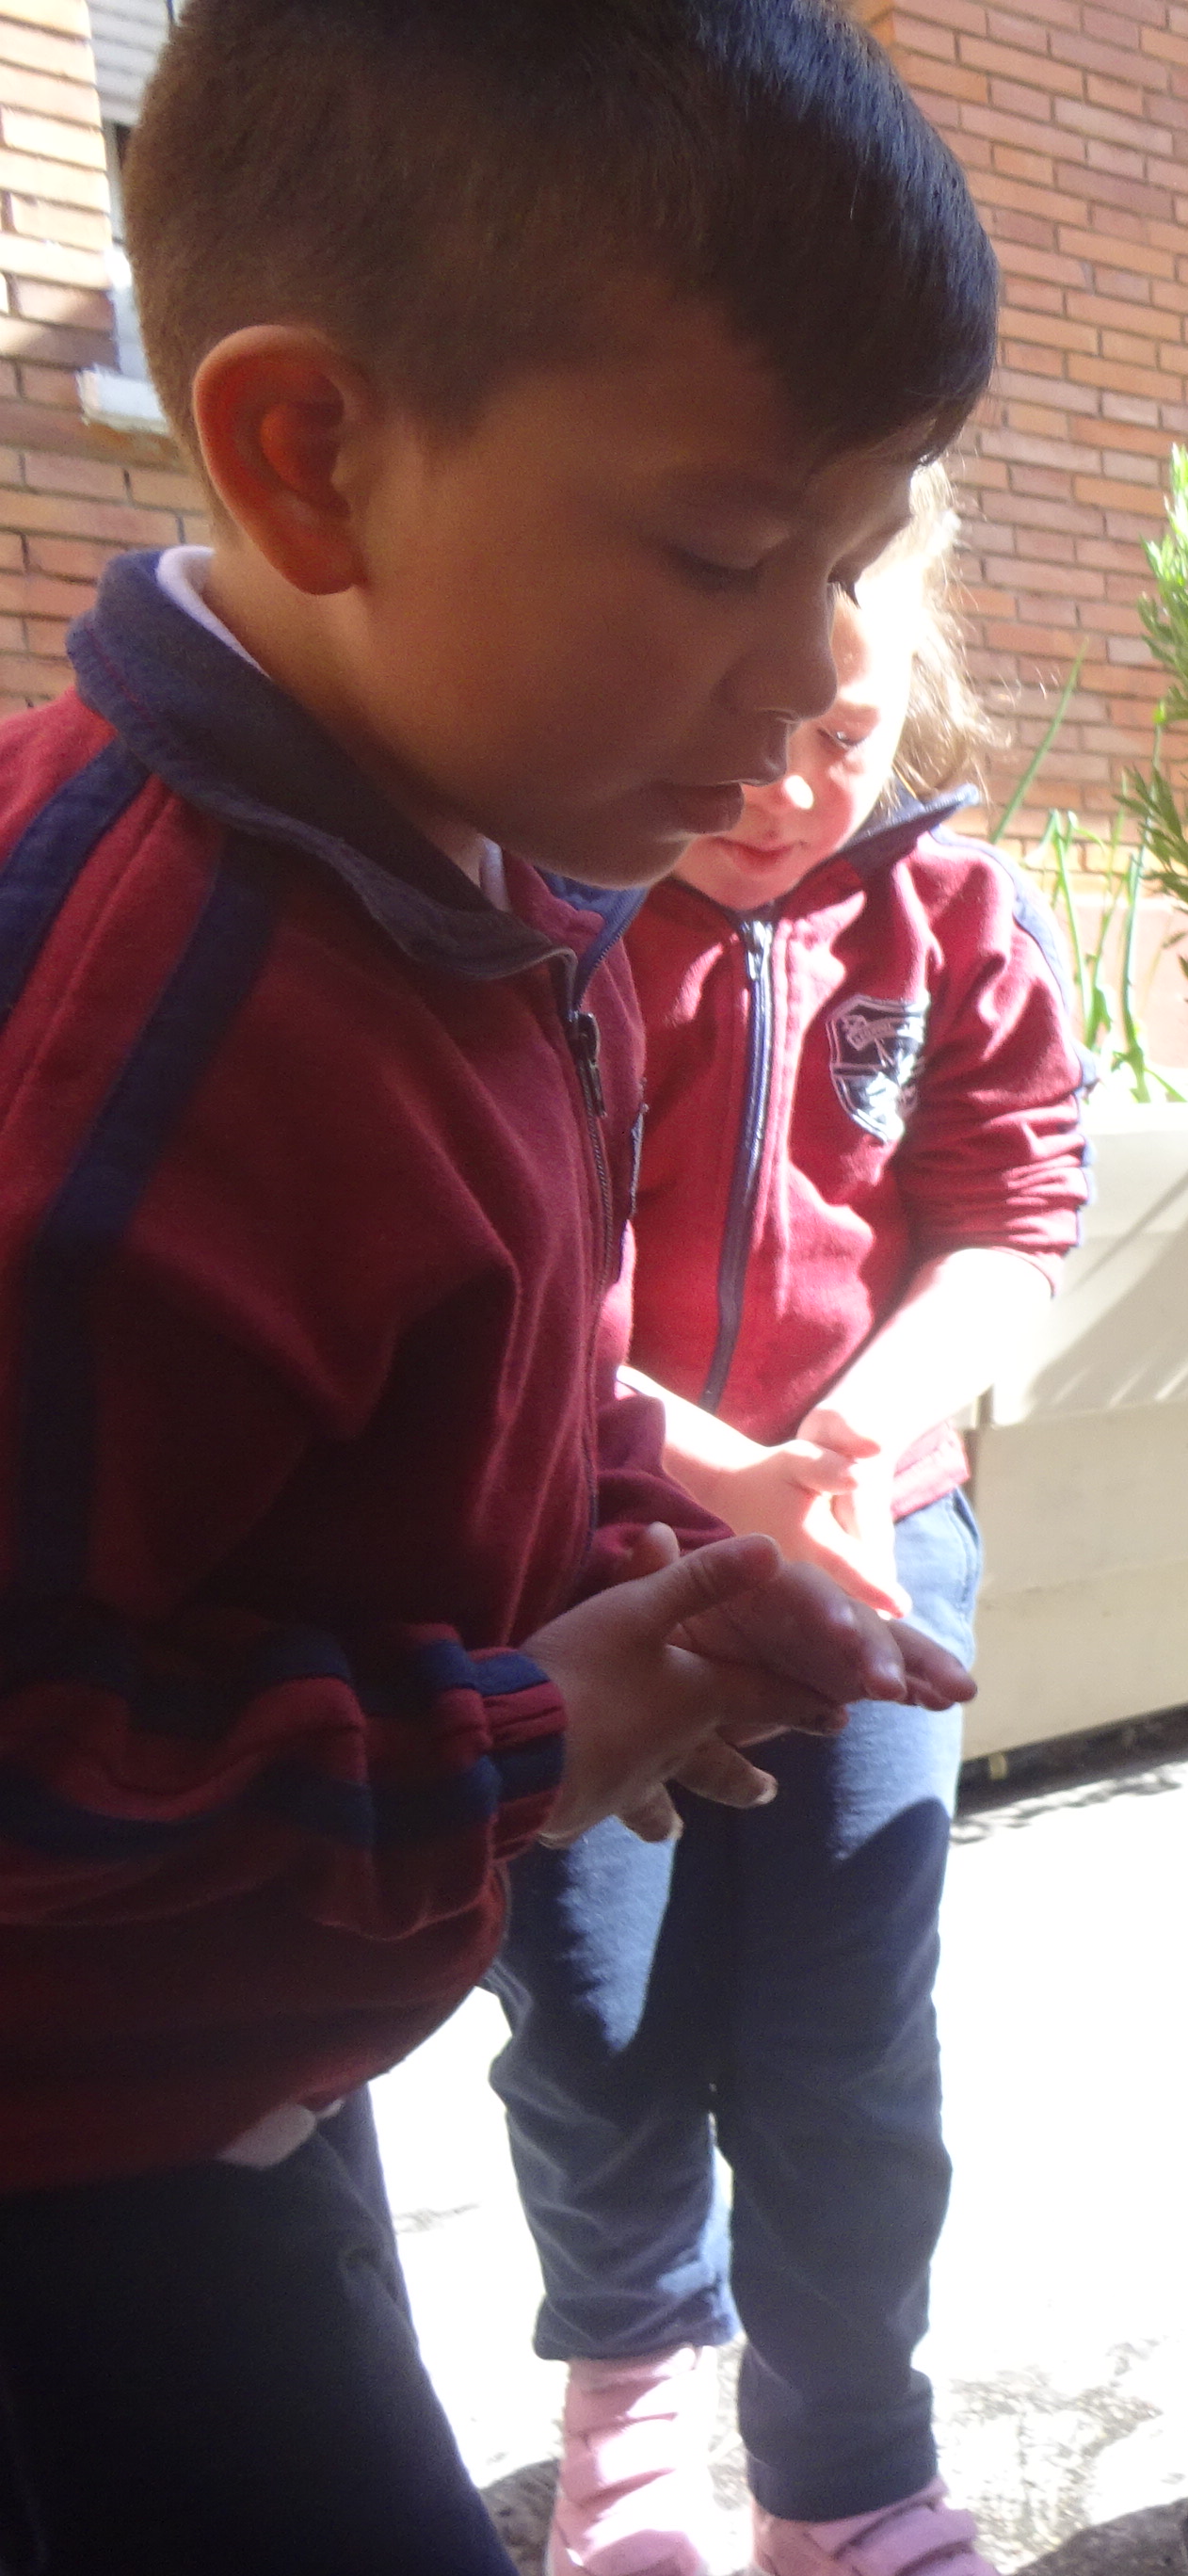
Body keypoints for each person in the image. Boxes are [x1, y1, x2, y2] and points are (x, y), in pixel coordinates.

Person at [0, 5, 996, 2569]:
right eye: (726, 555)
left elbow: (375, 1428)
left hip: (221, 2073)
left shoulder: (471, 874)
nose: (818, 674)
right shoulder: (148, 1041)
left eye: (856, 559)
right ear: (309, 457)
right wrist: (534, 1738)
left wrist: (625, 1542)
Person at [490, 470, 1085, 2576]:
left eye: (844, 733)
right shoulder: (543, 920)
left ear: (903, 681)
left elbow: (1014, 1216)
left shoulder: (961, 916)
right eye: (749, 729)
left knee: (850, 2046)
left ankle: (846, 2471)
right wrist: (705, 1472)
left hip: (867, 1537)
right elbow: (518, 1281)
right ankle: (632, 2395)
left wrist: (844, 1441)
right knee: (595, 2023)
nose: (787, 788)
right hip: (585, 1546)